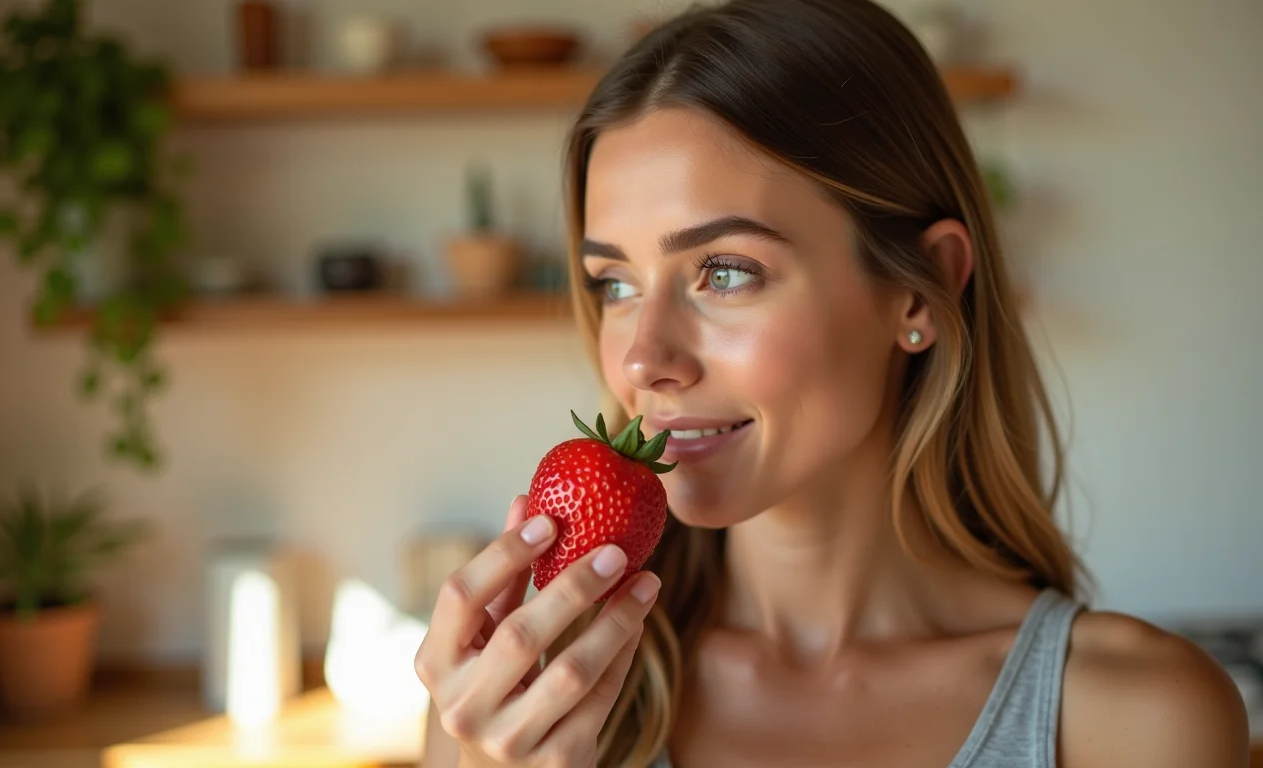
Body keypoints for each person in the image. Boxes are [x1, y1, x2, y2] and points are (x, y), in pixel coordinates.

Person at [413, 0, 1251, 765]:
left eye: (725, 272)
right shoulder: (513, 704)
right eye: (616, 284)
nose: (642, 359)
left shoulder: (1138, 723)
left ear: (921, 290)